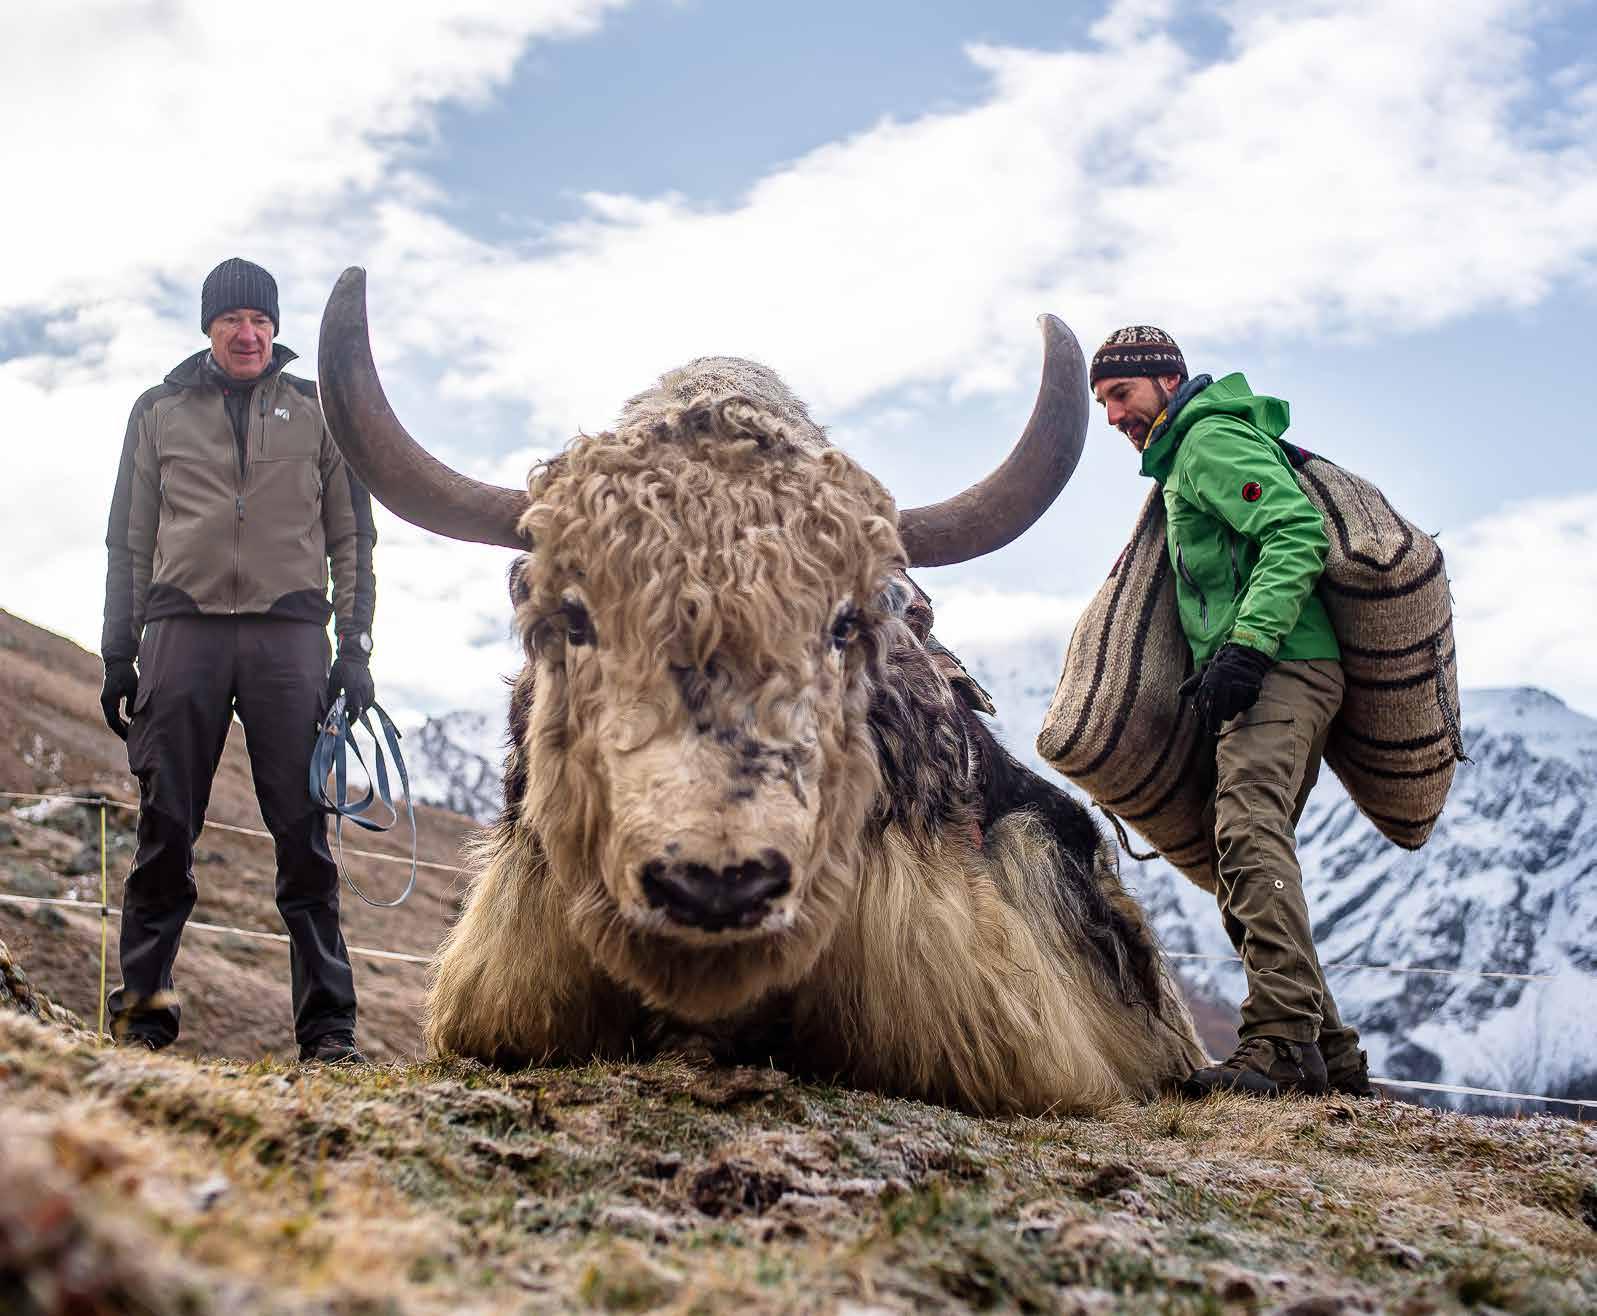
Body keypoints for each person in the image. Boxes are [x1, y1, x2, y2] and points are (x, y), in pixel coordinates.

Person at [99, 257, 377, 1064]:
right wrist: (118, 653)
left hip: (289, 639)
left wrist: (355, 647)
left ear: (275, 328)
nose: (247, 333)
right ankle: (142, 1022)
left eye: (260, 319)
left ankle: (328, 1034)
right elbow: (128, 541)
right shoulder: (157, 411)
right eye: (232, 320)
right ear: (208, 328)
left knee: (305, 841)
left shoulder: (319, 411)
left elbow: (352, 537)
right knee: (164, 833)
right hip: (179, 634)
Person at [1090, 325, 1374, 1099]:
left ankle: (1279, 1045)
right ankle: (1328, 1056)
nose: (1112, 416)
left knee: (1248, 835)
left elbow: (1293, 532)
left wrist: (1247, 648)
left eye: (1120, 394)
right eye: (1102, 402)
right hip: (1266, 672)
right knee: (1239, 851)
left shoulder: (1207, 441)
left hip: (1282, 667)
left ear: (1166, 380)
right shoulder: (1185, 453)